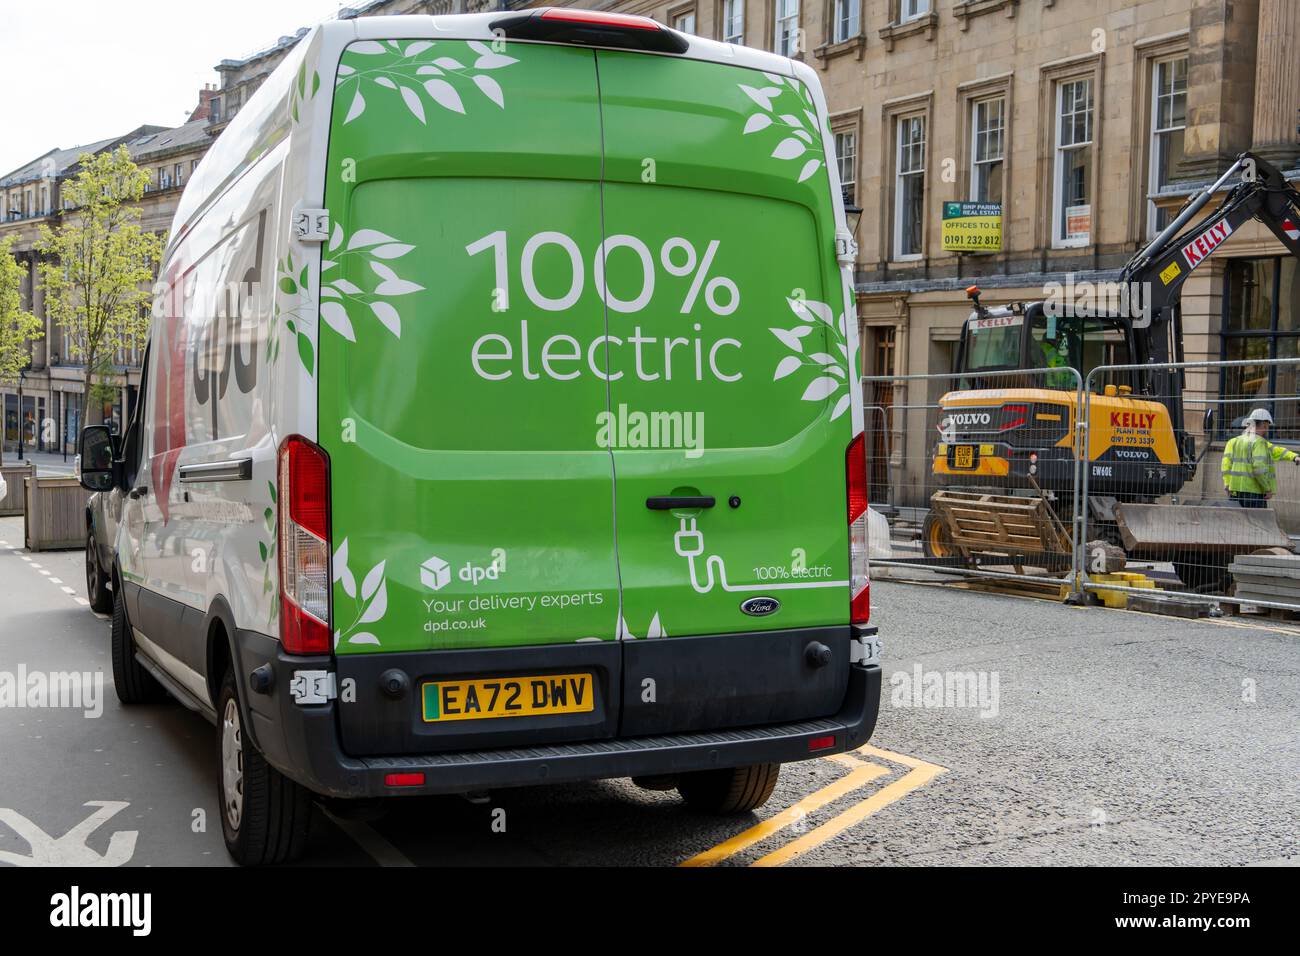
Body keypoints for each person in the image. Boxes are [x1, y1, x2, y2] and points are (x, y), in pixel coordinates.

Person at [1221, 408, 1299, 508]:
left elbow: (1225, 466)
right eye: (1267, 426)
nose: (1267, 429)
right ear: (1264, 424)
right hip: (1254, 493)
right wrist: (1267, 489)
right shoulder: (1259, 442)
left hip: (1235, 492)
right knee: (1258, 522)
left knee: (1238, 522)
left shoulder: (1233, 442)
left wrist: (1227, 484)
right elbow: (1258, 468)